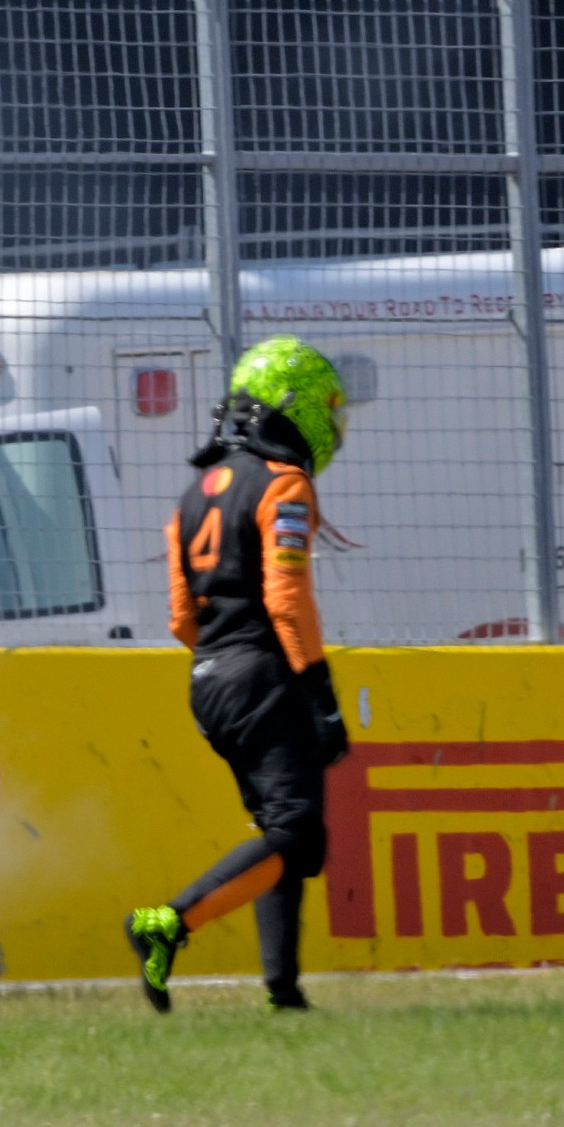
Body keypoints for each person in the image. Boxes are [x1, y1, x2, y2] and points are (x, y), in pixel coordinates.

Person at [124, 337, 353, 1015]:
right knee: (298, 833)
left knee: (282, 828)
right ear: (295, 406)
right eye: (326, 409)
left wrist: (226, 657)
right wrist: (321, 696)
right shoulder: (284, 483)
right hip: (265, 674)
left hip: (210, 678)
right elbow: (286, 600)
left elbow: (179, 618)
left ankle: (284, 988)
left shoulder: (194, 491)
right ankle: (170, 922)